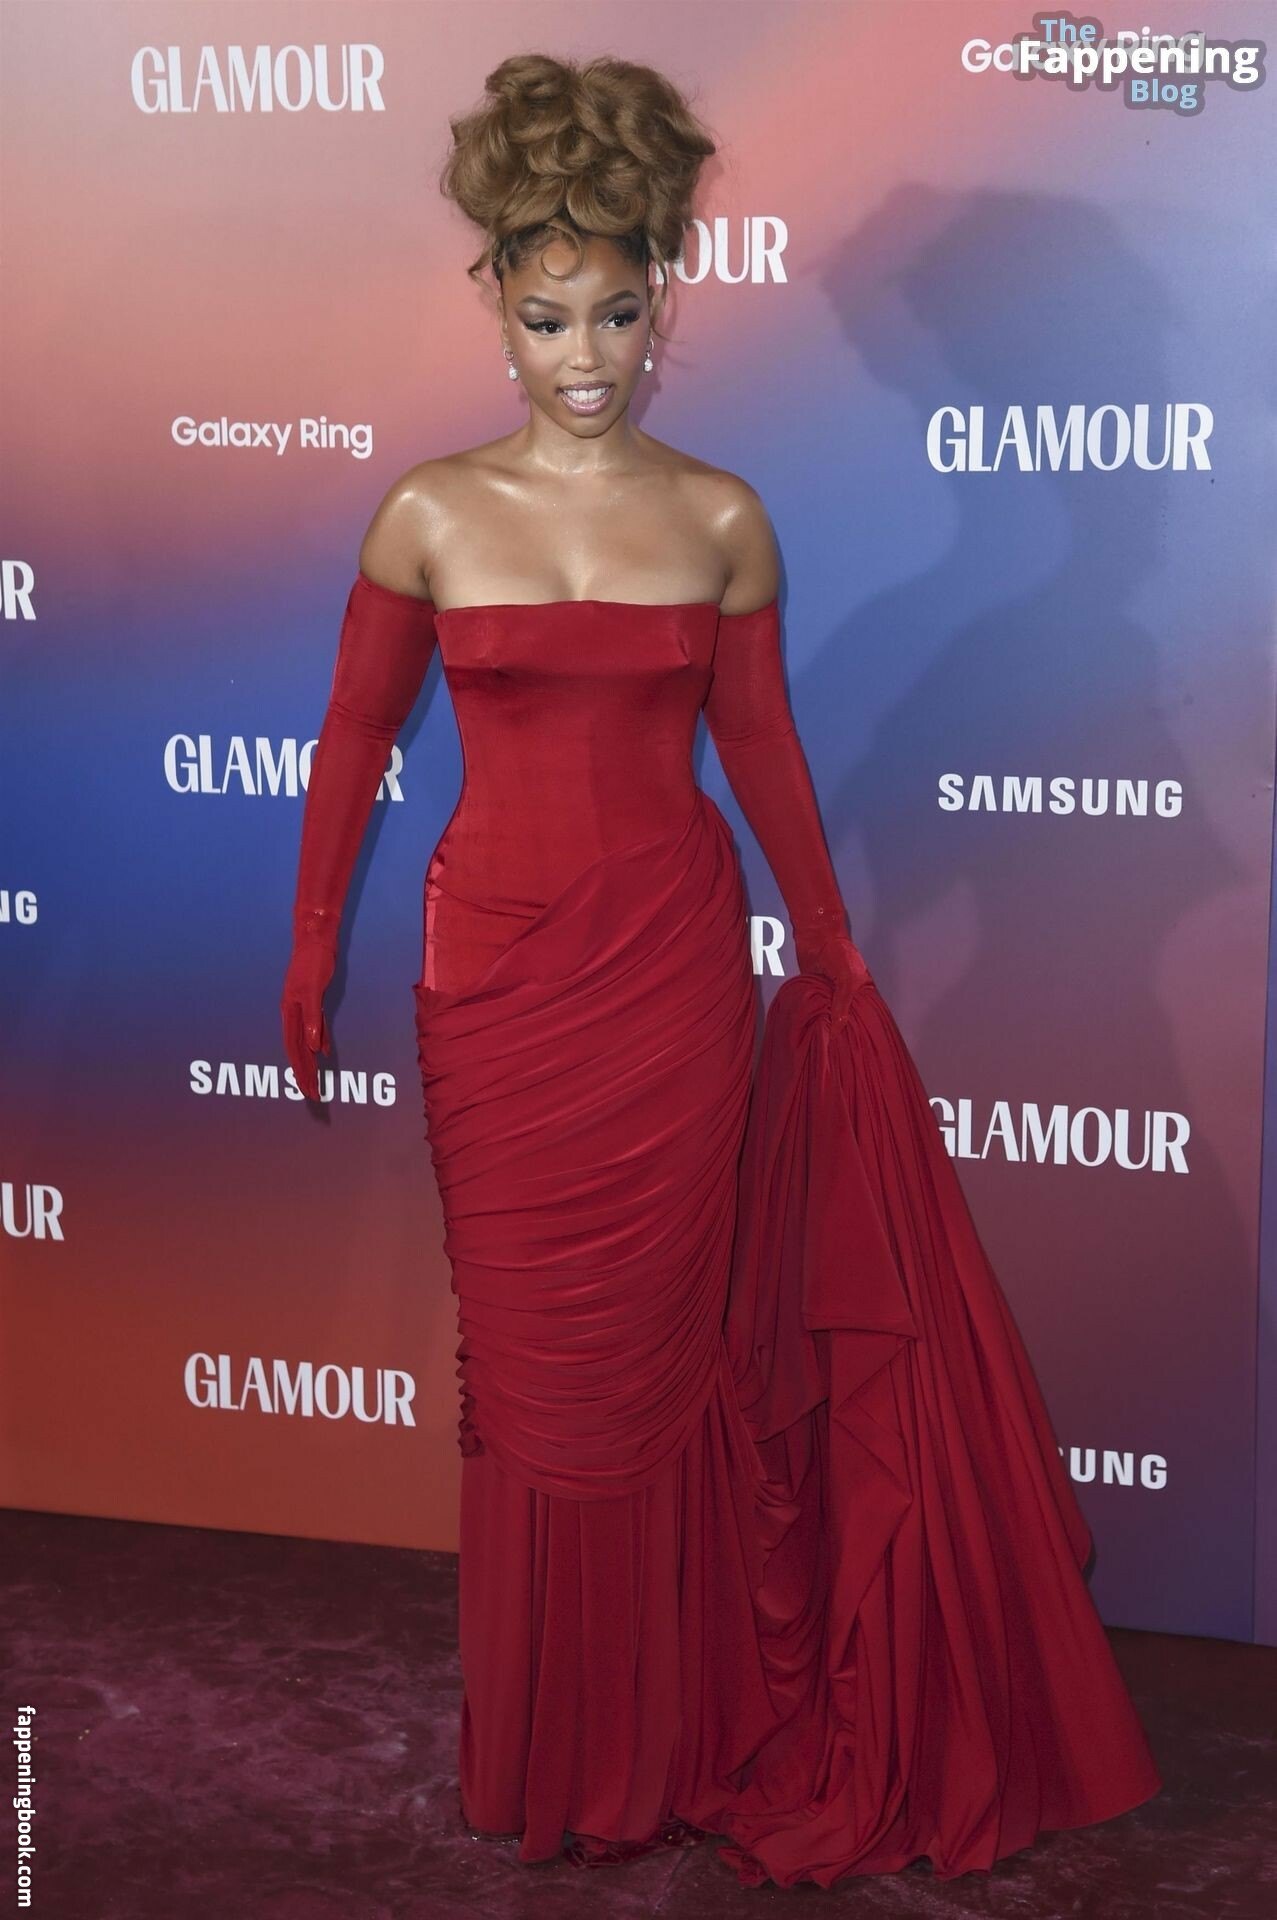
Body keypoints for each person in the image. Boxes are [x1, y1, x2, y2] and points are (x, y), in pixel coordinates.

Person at [281, 51, 1161, 1891]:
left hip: (672, 982)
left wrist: (827, 948)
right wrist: (309, 949)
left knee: (669, 1365)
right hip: (495, 991)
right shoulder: (426, 514)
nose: (584, 357)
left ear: (663, 300)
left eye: (616, 315)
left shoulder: (720, 516)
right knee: (542, 1380)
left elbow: (756, 748)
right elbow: (352, 744)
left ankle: (673, 1741)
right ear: (490, 302)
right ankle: (557, 1753)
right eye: (547, 319)